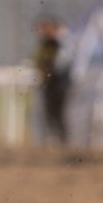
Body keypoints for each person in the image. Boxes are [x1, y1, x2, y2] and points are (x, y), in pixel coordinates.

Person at [32, 14, 74, 144]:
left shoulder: (61, 43)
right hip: (49, 83)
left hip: (59, 84)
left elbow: (62, 64)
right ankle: (53, 140)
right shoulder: (45, 44)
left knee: (59, 114)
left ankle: (62, 140)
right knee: (49, 114)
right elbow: (38, 60)